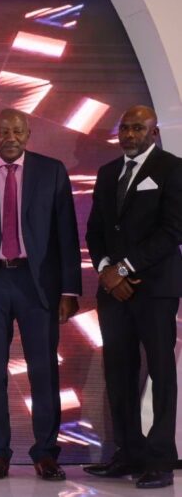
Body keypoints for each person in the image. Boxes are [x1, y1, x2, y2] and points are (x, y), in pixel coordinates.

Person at [0, 109, 81, 480]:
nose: (10, 136)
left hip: (37, 285)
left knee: (43, 373)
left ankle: (45, 453)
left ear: (28, 134)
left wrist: (69, 289)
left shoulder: (52, 170)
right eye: (2, 131)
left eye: (17, 130)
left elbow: (66, 234)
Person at [84, 105, 182, 489]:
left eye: (137, 128)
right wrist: (108, 271)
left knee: (160, 372)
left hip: (155, 290)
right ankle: (128, 452)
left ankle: (159, 459)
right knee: (118, 372)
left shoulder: (172, 169)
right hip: (114, 293)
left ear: (153, 133)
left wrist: (123, 268)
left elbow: (172, 231)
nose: (129, 134)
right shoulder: (108, 172)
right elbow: (94, 231)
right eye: (124, 128)